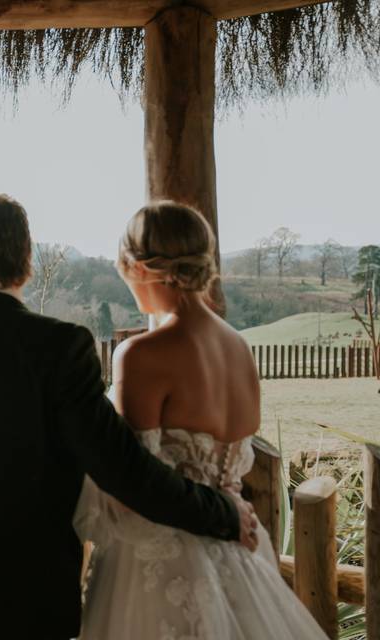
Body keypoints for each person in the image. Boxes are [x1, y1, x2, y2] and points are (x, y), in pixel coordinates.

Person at [0, 193, 258, 640]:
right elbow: (123, 470)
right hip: (29, 584)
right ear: (27, 261)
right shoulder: (61, 347)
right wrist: (221, 512)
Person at [74, 201, 327, 639]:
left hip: (158, 565)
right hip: (241, 550)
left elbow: (132, 488)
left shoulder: (140, 355)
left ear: (140, 267)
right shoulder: (240, 350)